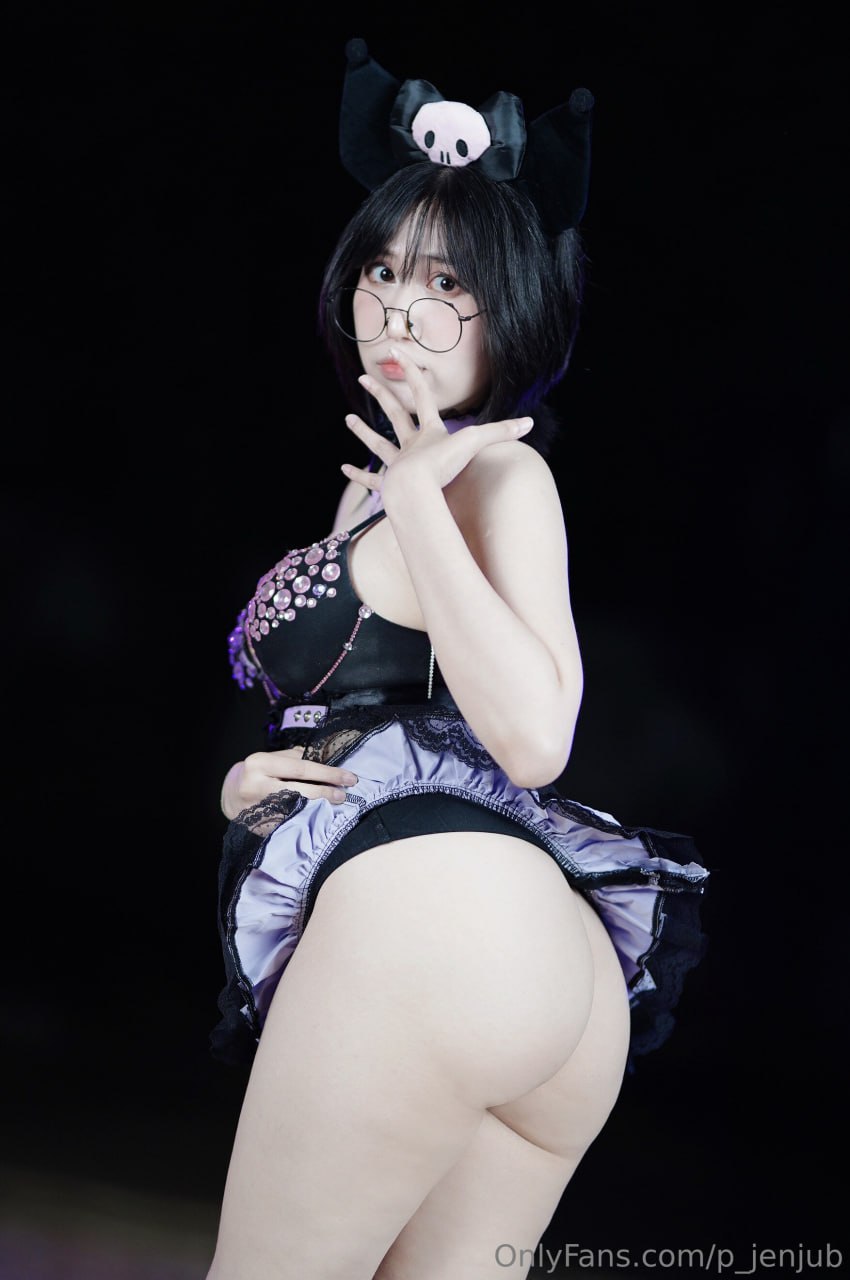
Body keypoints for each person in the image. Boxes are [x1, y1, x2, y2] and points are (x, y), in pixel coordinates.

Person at [205, 37, 709, 1280]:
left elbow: (535, 737)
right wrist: (250, 786)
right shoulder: (384, 484)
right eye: (381, 269)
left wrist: (424, 504)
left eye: (445, 282)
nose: (397, 308)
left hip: (440, 919)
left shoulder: (494, 471)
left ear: (513, 305)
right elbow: (362, 714)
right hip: (516, 957)